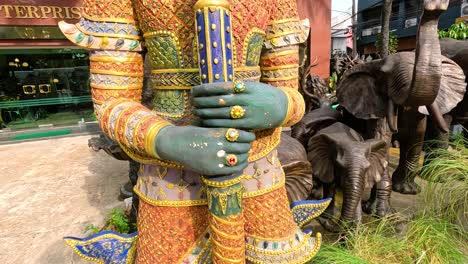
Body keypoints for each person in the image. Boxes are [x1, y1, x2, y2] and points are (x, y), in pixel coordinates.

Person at [59, 0, 329, 263]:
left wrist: (279, 105)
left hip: (256, 164)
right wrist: (164, 138)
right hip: (170, 173)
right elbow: (110, 103)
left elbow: (292, 94)